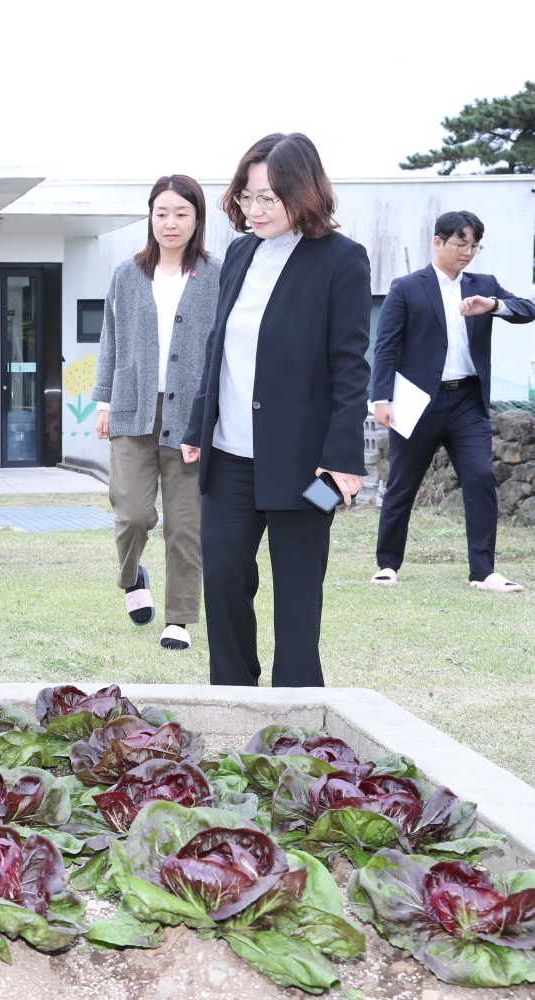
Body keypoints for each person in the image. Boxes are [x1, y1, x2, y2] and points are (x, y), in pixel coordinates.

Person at [180, 133, 371, 687]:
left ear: (304, 192)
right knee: (221, 580)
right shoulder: (241, 253)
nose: (255, 210)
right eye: (246, 197)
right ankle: (232, 700)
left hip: (303, 463)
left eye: (269, 198)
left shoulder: (342, 260)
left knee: (296, 595)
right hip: (230, 455)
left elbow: (350, 365)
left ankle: (296, 721)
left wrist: (342, 460)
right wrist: (199, 423)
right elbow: (220, 347)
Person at [371, 210, 534, 593]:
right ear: (438, 241)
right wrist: (380, 398)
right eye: (461, 244)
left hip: (467, 402)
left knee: (480, 478)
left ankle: (483, 572)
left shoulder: (484, 284)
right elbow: (386, 345)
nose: (468, 252)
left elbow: (527, 310)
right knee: (402, 484)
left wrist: (491, 305)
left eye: (474, 246)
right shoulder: (407, 286)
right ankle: (388, 565)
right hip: (417, 404)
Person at [92, 175, 220, 651]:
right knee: (132, 514)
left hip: (191, 416)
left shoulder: (217, 274)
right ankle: (132, 578)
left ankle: (179, 619)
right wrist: (103, 402)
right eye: (162, 213)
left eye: (181, 213)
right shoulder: (128, 274)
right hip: (132, 408)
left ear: (197, 219)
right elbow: (110, 338)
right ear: (150, 217)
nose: (171, 222)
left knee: (186, 525)